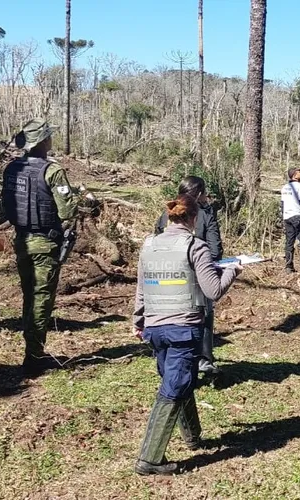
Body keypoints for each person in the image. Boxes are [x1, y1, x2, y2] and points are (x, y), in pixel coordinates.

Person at [132, 194, 241, 476]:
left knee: (179, 378)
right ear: (195, 218)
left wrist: (138, 320)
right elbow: (213, 290)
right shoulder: (196, 247)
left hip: (154, 328)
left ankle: (192, 436)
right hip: (183, 327)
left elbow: (142, 288)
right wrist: (232, 271)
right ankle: (149, 459)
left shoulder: (149, 245)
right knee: (174, 385)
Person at [2, 119, 80, 374]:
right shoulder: (52, 171)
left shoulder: (12, 168)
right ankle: (33, 356)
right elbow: (67, 209)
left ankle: (32, 349)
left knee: (29, 296)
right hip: (45, 243)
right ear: (44, 141)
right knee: (41, 299)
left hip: (21, 240)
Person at [154, 176, 223, 374]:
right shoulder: (205, 215)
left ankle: (167, 356)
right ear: (200, 194)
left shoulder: (166, 213)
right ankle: (204, 359)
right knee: (205, 314)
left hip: (166, 273)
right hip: (197, 276)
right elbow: (215, 249)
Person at [281, 166, 300, 273]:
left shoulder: (284, 187)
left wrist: (283, 217)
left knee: (289, 242)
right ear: (294, 175)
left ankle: (289, 266)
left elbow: (282, 204)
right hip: (298, 216)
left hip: (287, 217)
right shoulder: (299, 186)